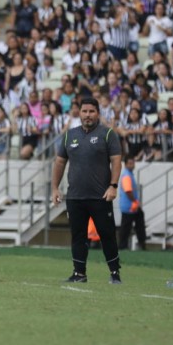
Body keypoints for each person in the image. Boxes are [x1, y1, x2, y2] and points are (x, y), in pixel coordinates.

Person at [50, 97, 122, 284]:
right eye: (84, 111)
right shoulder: (69, 135)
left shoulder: (108, 134)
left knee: (107, 235)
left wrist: (113, 186)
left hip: (100, 196)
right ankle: (79, 273)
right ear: (79, 113)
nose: (87, 115)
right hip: (75, 197)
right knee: (78, 236)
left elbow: (116, 160)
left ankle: (115, 273)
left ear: (98, 113)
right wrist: (55, 188)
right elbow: (59, 162)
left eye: (91, 111)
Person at [118, 155, 147, 250]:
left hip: (132, 206)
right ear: (125, 164)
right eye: (130, 163)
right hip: (129, 206)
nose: (132, 165)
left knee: (138, 223)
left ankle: (141, 243)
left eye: (133, 163)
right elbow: (128, 191)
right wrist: (135, 201)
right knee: (126, 227)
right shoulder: (127, 175)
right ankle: (123, 245)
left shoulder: (129, 174)